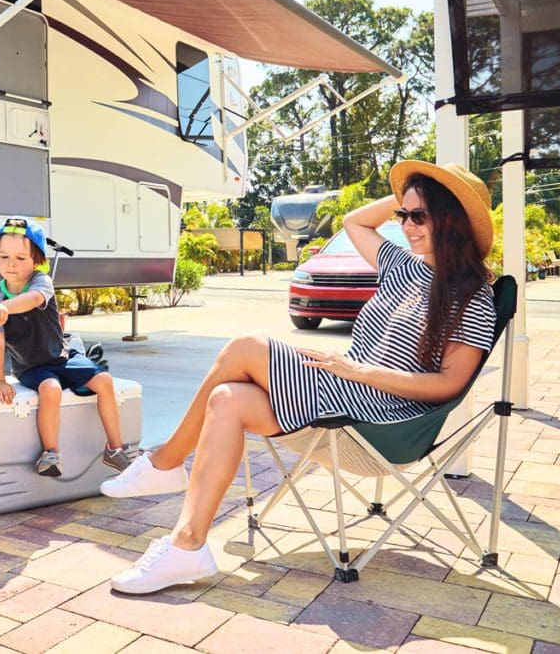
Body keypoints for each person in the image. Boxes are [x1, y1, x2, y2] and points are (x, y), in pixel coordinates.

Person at [103, 161, 497, 594]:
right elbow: (355, 222)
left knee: (244, 348)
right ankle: (187, 546)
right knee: (227, 399)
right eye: (403, 216)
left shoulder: (471, 297)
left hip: (380, 417)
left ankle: (165, 461)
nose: (406, 226)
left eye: (418, 216)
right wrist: (411, 192)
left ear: (452, 218)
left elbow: (449, 384)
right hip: (343, 387)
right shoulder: (406, 267)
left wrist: (359, 371)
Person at [0, 217, 135, 477]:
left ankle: (115, 448)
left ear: (37, 261)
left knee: (105, 380)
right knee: (50, 389)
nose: (11, 263)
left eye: (21, 258)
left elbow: (32, 300)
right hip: (31, 366)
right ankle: (51, 453)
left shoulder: (41, 282)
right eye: (4, 256)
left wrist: (4, 308)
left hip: (62, 356)